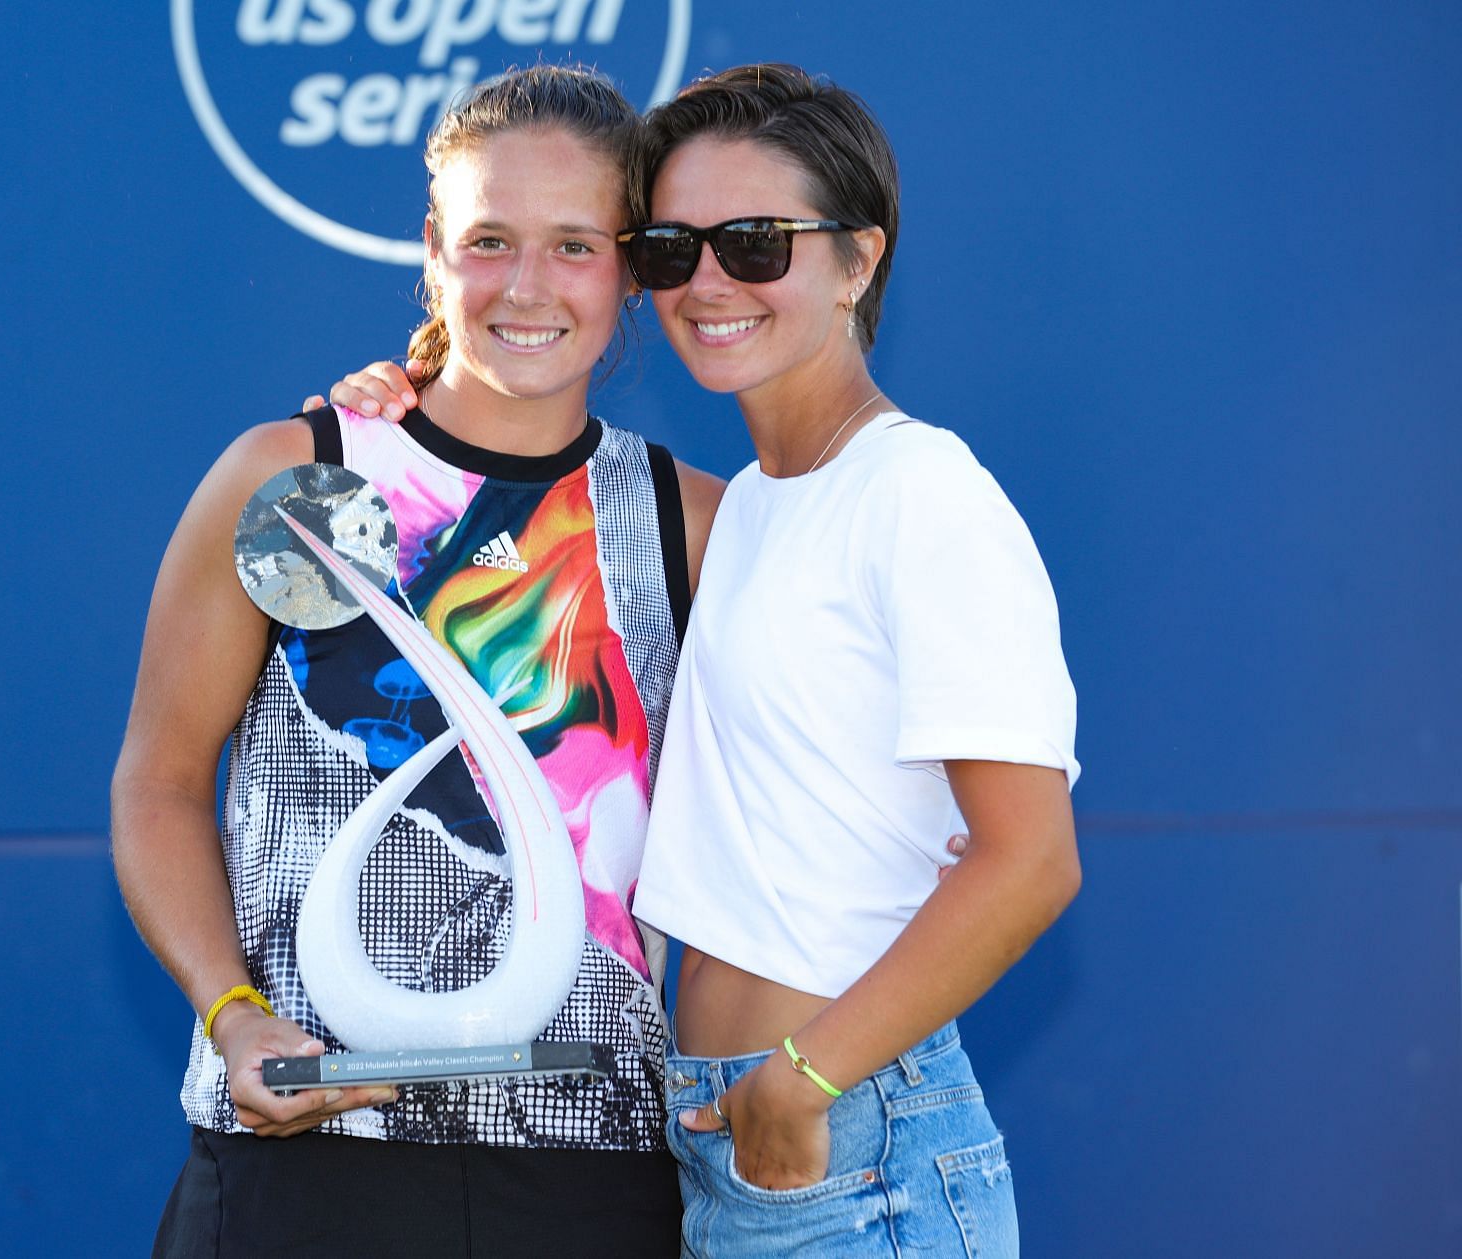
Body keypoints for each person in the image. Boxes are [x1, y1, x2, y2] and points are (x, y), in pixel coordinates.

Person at [332, 64, 1080, 1257]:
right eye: (675, 248)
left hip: (848, 1138)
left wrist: (801, 1079)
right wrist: (412, 393)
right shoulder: (739, 511)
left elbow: (1031, 860)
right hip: (733, 1134)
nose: (711, 282)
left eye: (758, 242)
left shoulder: (921, 492)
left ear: (860, 258)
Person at [110, 65, 725, 1258]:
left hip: (591, 1173)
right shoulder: (289, 482)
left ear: (630, 270)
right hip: (304, 1159)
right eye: (490, 240)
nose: (529, 286)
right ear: (433, 248)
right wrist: (234, 1016)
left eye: (574, 245)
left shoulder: (687, 520)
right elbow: (160, 780)